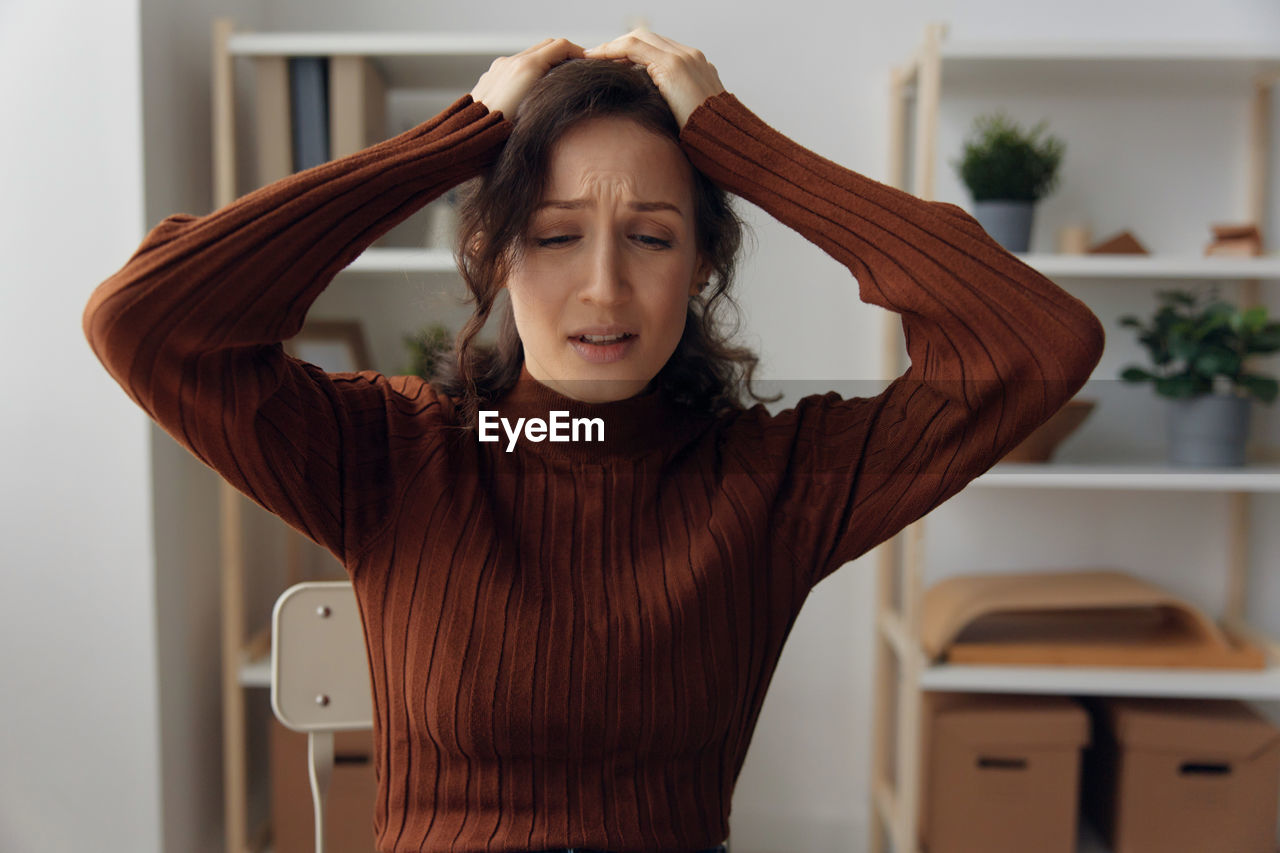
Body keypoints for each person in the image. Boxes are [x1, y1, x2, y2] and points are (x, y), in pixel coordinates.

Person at [82, 29, 1105, 853]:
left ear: (701, 266)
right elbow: (145, 319)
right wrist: (465, 133)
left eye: (653, 237)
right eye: (555, 233)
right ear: (492, 253)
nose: (605, 289)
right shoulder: (392, 452)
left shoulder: (774, 480)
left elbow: (1035, 344)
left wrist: (743, 146)